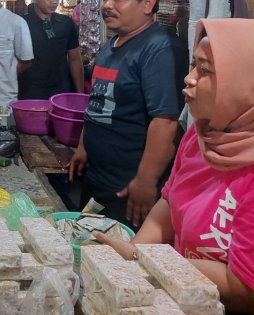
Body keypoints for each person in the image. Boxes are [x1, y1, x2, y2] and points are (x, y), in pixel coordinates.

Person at [96, 18, 254, 313]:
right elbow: (169, 205)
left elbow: (242, 289)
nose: (189, 78)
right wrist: (135, 254)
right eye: (194, 65)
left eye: (205, 70)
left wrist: (141, 260)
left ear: (244, 83)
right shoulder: (200, 137)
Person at [69, 0, 186, 230]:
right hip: (98, 178)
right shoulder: (112, 45)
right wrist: (84, 146)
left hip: (128, 188)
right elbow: (97, 102)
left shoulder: (159, 49)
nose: (107, 5)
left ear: (147, 4)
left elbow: (166, 121)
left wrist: (145, 180)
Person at [19, 0, 83, 99]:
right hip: (30, 93)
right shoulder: (21, 24)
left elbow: (74, 59)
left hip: (61, 92)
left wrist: (80, 94)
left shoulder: (66, 23)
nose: (54, 1)